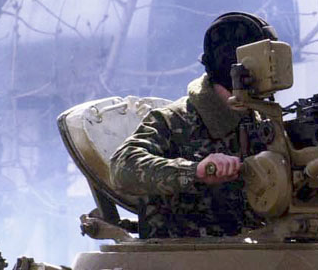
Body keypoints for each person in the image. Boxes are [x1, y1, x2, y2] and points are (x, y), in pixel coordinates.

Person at [110, 12, 276, 238]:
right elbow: (122, 167)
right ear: (236, 65)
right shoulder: (173, 120)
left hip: (257, 258)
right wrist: (195, 171)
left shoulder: (263, 123)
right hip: (182, 263)